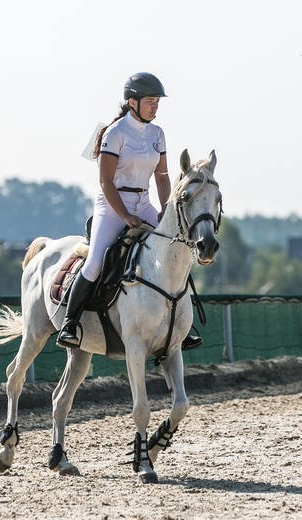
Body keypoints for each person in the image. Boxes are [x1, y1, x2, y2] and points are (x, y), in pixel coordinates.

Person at [57, 72, 202, 350]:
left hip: (144, 203)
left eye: (157, 102)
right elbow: (105, 181)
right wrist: (124, 216)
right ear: (132, 102)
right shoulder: (114, 133)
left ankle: (184, 325)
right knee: (96, 261)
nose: (155, 107)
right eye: (150, 101)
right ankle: (70, 323)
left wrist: (165, 212)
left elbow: (161, 178)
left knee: (176, 250)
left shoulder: (157, 134)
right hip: (112, 206)